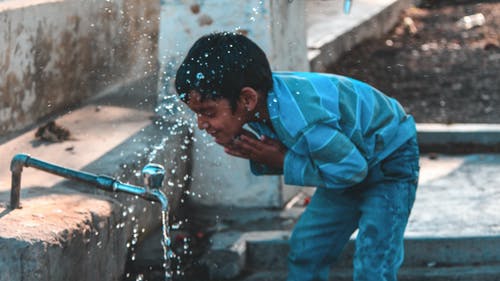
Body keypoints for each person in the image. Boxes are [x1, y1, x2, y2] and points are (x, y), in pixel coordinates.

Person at [174, 31, 419, 281]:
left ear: (247, 99)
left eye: (208, 112)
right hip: (345, 163)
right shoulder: (261, 103)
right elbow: (336, 164)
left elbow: (352, 171)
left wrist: (282, 161)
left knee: (374, 261)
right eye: (197, 114)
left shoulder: (303, 120)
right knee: (307, 248)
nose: (202, 123)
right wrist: (261, 152)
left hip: (389, 163)